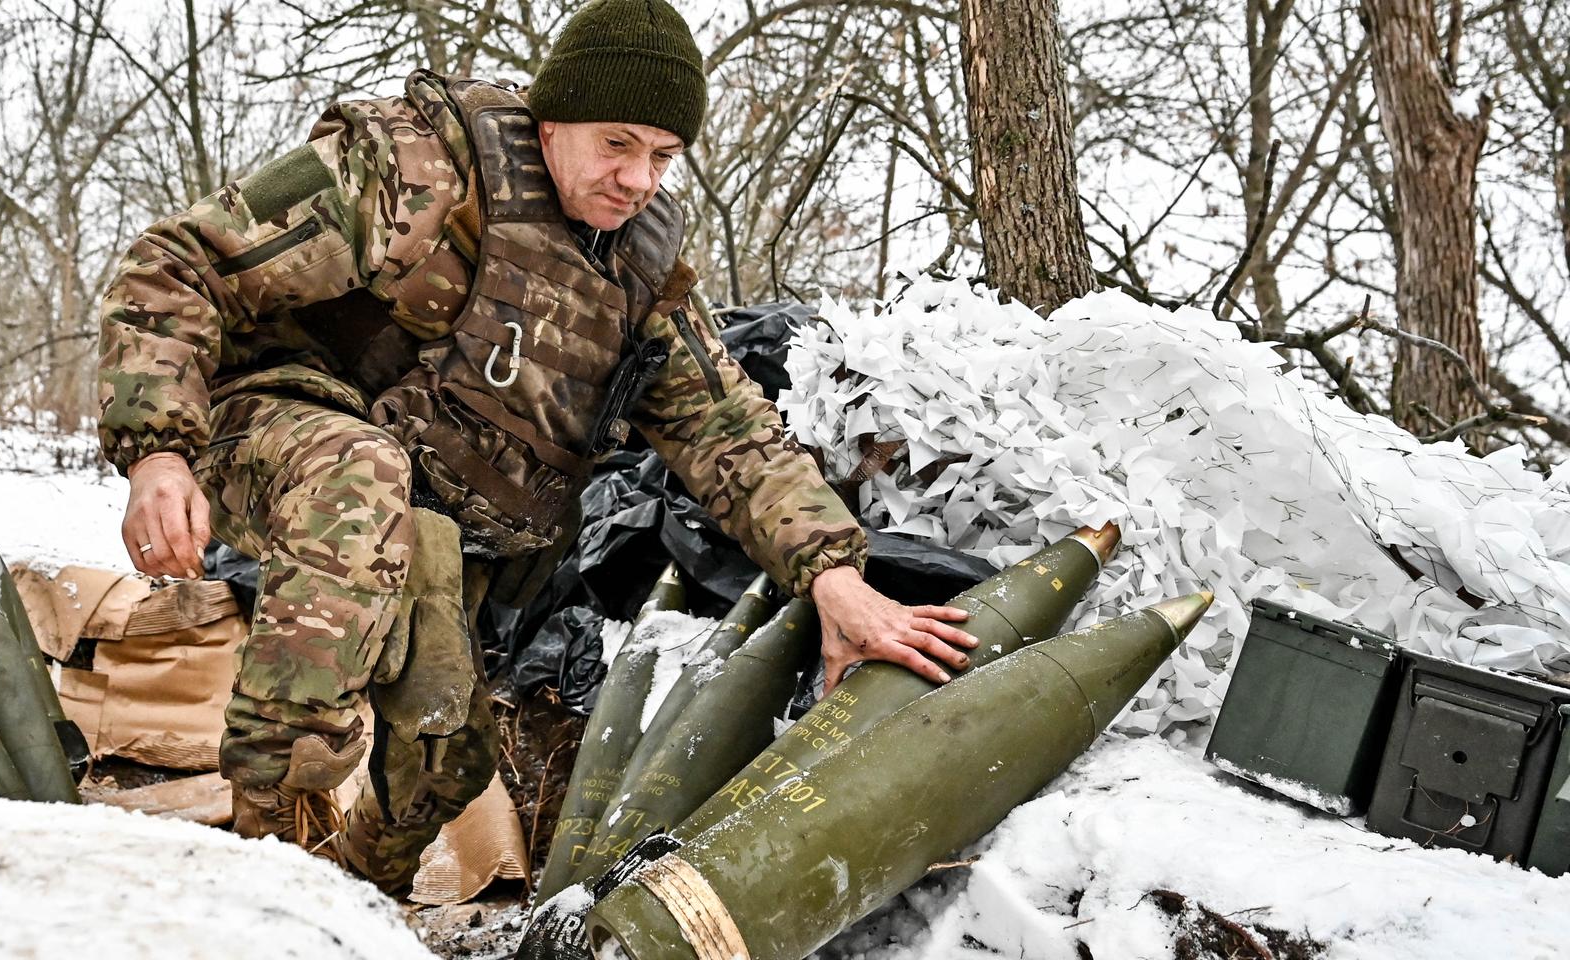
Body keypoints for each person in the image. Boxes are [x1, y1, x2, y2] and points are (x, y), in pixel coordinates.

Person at [94, 0, 977, 893]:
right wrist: (156, 449)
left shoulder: (635, 274)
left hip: (419, 516)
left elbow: (731, 432)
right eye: (618, 144)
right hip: (278, 431)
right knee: (359, 475)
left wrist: (836, 578)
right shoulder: (416, 170)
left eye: (664, 158)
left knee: (448, 755)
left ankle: (358, 898)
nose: (639, 180)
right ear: (552, 123)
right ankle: (263, 874)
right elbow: (178, 262)